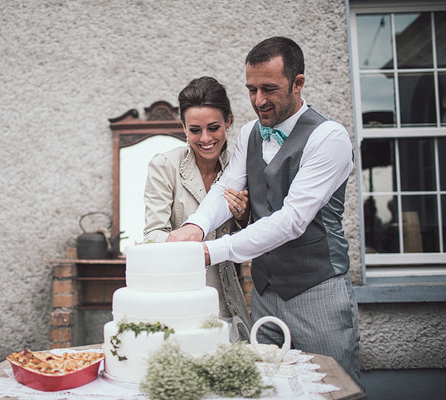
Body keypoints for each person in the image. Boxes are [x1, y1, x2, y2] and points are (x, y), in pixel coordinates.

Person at [167, 37, 362, 388]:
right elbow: (225, 188)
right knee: (269, 388)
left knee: (331, 389)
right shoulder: (248, 133)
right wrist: (195, 226)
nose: (258, 101)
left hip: (316, 292)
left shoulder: (329, 138)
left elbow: (291, 220)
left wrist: (211, 251)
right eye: (251, 89)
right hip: (264, 294)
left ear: (298, 83)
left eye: (269, 89)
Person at [143, 76, 252, 342]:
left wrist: (242, 216)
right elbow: (152, 235)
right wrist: (191, 238)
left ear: (229, 121)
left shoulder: (241, 166)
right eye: (195, 130)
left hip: (228, 296)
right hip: (179, 298)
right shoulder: (164, 166)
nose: (205, 138)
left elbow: (258, 231)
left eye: (213, 127)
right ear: (183, 127)